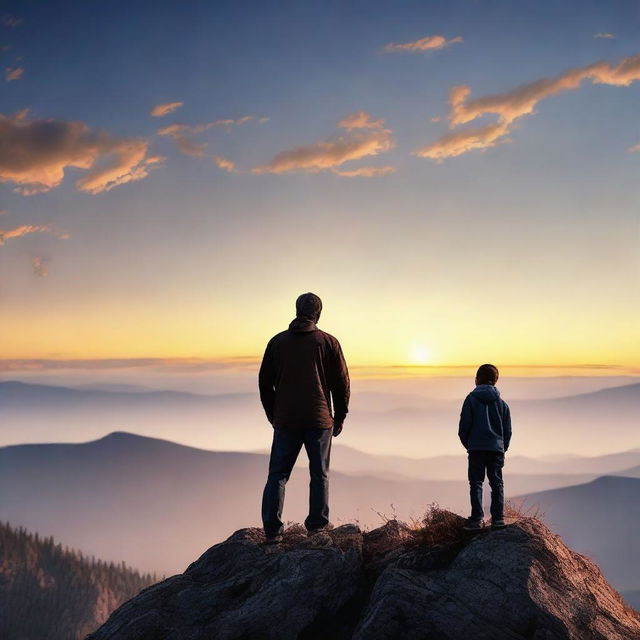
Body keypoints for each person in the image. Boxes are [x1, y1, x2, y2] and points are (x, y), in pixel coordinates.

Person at [259, 292, 350, 543]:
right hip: (319, 421)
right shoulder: (328, 342)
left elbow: (265, 384)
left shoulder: (277, 343)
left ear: (297, 310)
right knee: (319, 474)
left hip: (286, 420)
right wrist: (340, 416)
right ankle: (318, 528)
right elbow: (341, 383)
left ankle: (272, 531)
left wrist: (273, 414)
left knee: (277, 475)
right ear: (318, 313)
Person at [458, 364, 512, 530]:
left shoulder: (470, 400)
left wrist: (470, 444)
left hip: (476, 449)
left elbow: (463, 428)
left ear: (477, 379)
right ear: (495, 380)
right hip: (496, 449)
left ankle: (477, 519)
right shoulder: (502, 404)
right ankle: (498, 519)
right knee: (497, 483)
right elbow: (507, 431)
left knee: (476, 482)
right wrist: (502, 447)